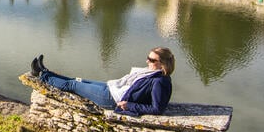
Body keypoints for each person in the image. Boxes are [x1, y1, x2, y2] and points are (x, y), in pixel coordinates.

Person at [30, 47, 175, 116]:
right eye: (148, 57)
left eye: (151, 60)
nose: (147, 61)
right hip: (113, 89)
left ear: (163, 64)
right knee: (77, 80)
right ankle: (46, 71)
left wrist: (129, 105)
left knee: (73, 85)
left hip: (112, 99)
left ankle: (40, 74)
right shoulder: (154, 73)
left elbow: (157, 109)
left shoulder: (160, 82)